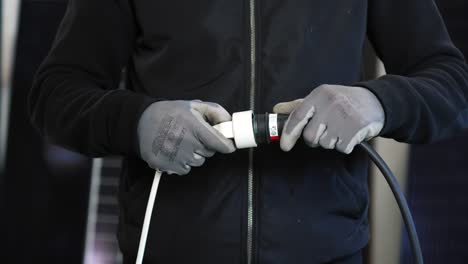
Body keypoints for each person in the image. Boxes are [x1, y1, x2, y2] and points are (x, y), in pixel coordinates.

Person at [28, 0, 468, 263]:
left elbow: (451, 82)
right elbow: (54, 93)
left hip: (326, 254)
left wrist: (378, 103)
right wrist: (137, 122)